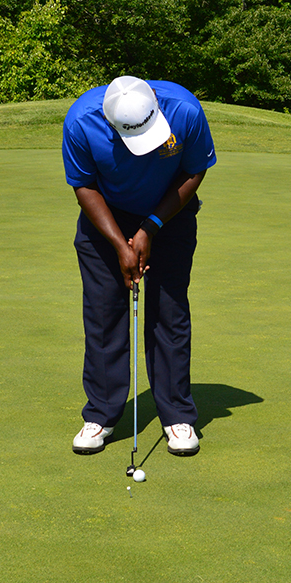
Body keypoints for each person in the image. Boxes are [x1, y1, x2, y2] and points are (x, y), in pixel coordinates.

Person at [63, 75, 217, 455]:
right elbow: (83, 185)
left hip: (171, 211)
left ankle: (177, 414)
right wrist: (120, 243)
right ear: (112, 124)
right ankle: (100, 413)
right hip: (105, 216)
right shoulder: (82, 121)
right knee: (102, 312)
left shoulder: (184, 110)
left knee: (169, 310)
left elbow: (195, 170)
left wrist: (150, 227)